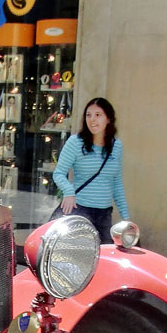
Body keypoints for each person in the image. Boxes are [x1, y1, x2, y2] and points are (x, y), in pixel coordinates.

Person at [51, 97, 130, 240]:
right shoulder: (75, 143)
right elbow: (59, 173)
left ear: (108, 119)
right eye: (88, 115)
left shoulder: (116, 146)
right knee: (76, 256)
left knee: (102, 256)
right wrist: (68, 192)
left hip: (104, 215)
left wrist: (126, 218)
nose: (92, 119)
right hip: (79, 210)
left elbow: (116, 183)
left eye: (98, 115)